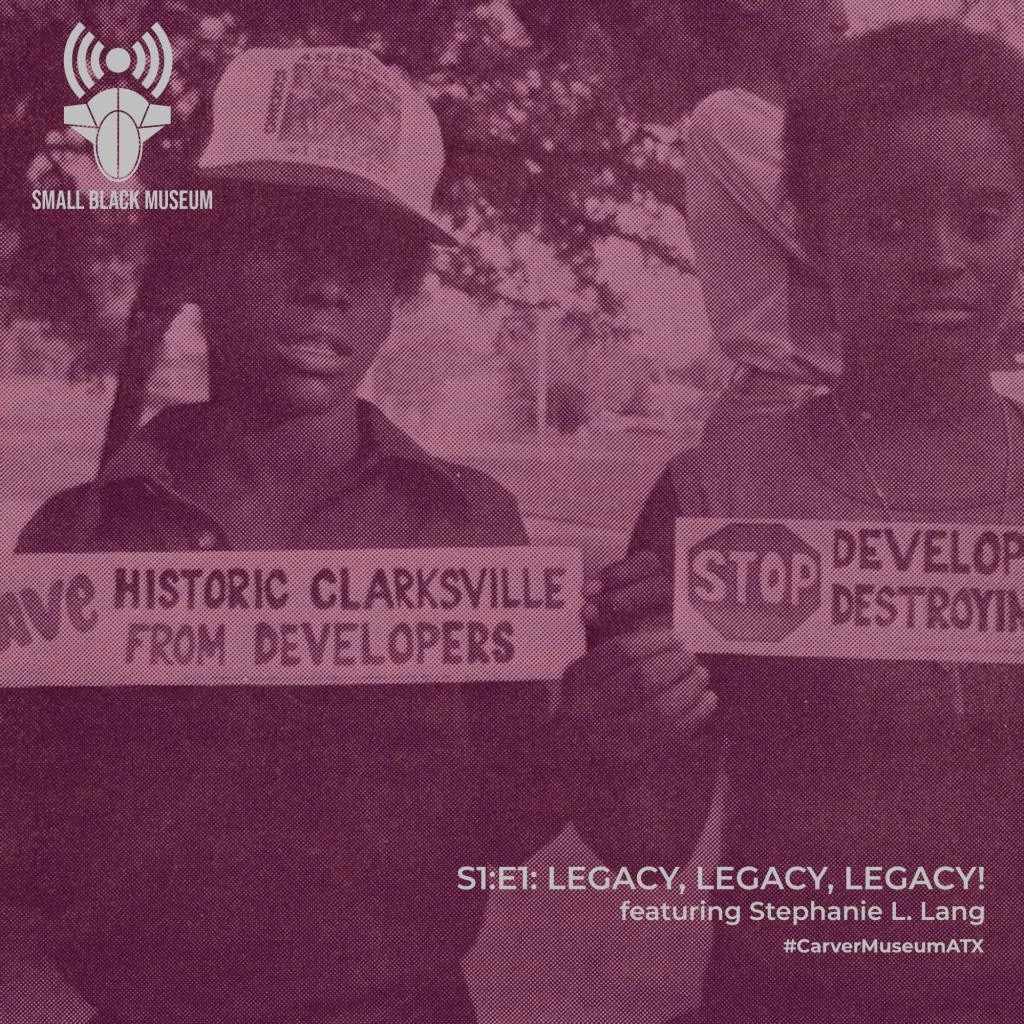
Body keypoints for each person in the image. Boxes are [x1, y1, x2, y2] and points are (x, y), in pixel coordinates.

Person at [3, 45, 701, 1024]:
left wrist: (594, 737)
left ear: (396, 295)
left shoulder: (468, 527)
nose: (328, 282)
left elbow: (501, 823)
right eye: (285, 232)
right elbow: (29, 846)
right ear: (198, 257)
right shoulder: (75, 539)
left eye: (368, 254)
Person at [580, 20, 1024, 1023]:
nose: (941, 258)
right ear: (811, 238)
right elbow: (642, 845)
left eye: (985, 215)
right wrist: (618, 723)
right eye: (886, 221)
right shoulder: (715, 490)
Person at [684, 0, 849, 418]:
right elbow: (854, 240)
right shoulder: (726, 117)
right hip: (788, 408)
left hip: (843, 406)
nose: (842, 21)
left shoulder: (820, 134)